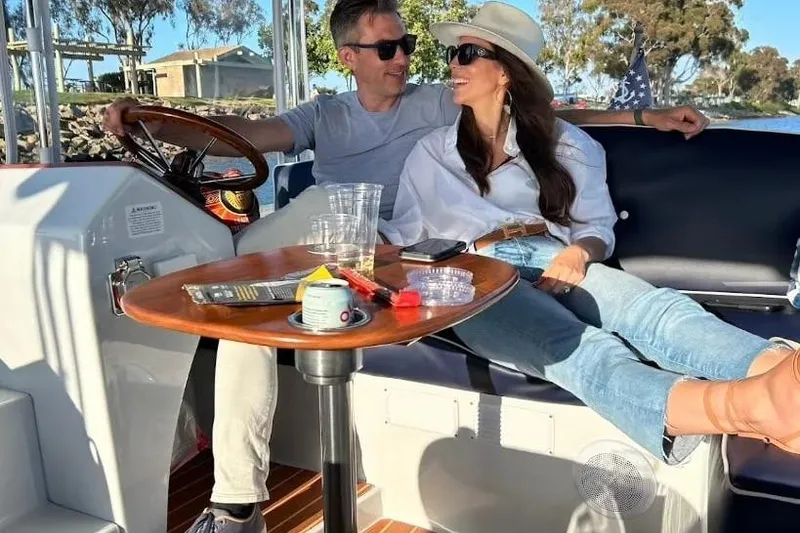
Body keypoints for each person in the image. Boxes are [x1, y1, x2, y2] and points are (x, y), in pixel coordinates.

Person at [102, 2, 713, 532]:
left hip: (398, 244)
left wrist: (642, 118)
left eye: (409, 45)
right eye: (388, 47)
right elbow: (250, 134)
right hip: (333, 232)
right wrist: (154, 121)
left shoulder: (436, 105)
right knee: (245, 300)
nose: (404, 58)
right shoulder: (324, 115)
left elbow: (528, 114)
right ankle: (237, 502)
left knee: (250, 276)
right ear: (349, 57)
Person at [380, 1, 800, 469]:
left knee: (649, 307)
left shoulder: (568, 145)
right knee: (580, 345)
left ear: (507, 73)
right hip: (469, 274)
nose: (453, 66)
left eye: (468, 54)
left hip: (547, 254)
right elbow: (403, 238)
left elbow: (597, 228)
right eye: (452, 56)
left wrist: (580, 253)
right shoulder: (429, 153)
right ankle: (746, 409)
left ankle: (781, 373)